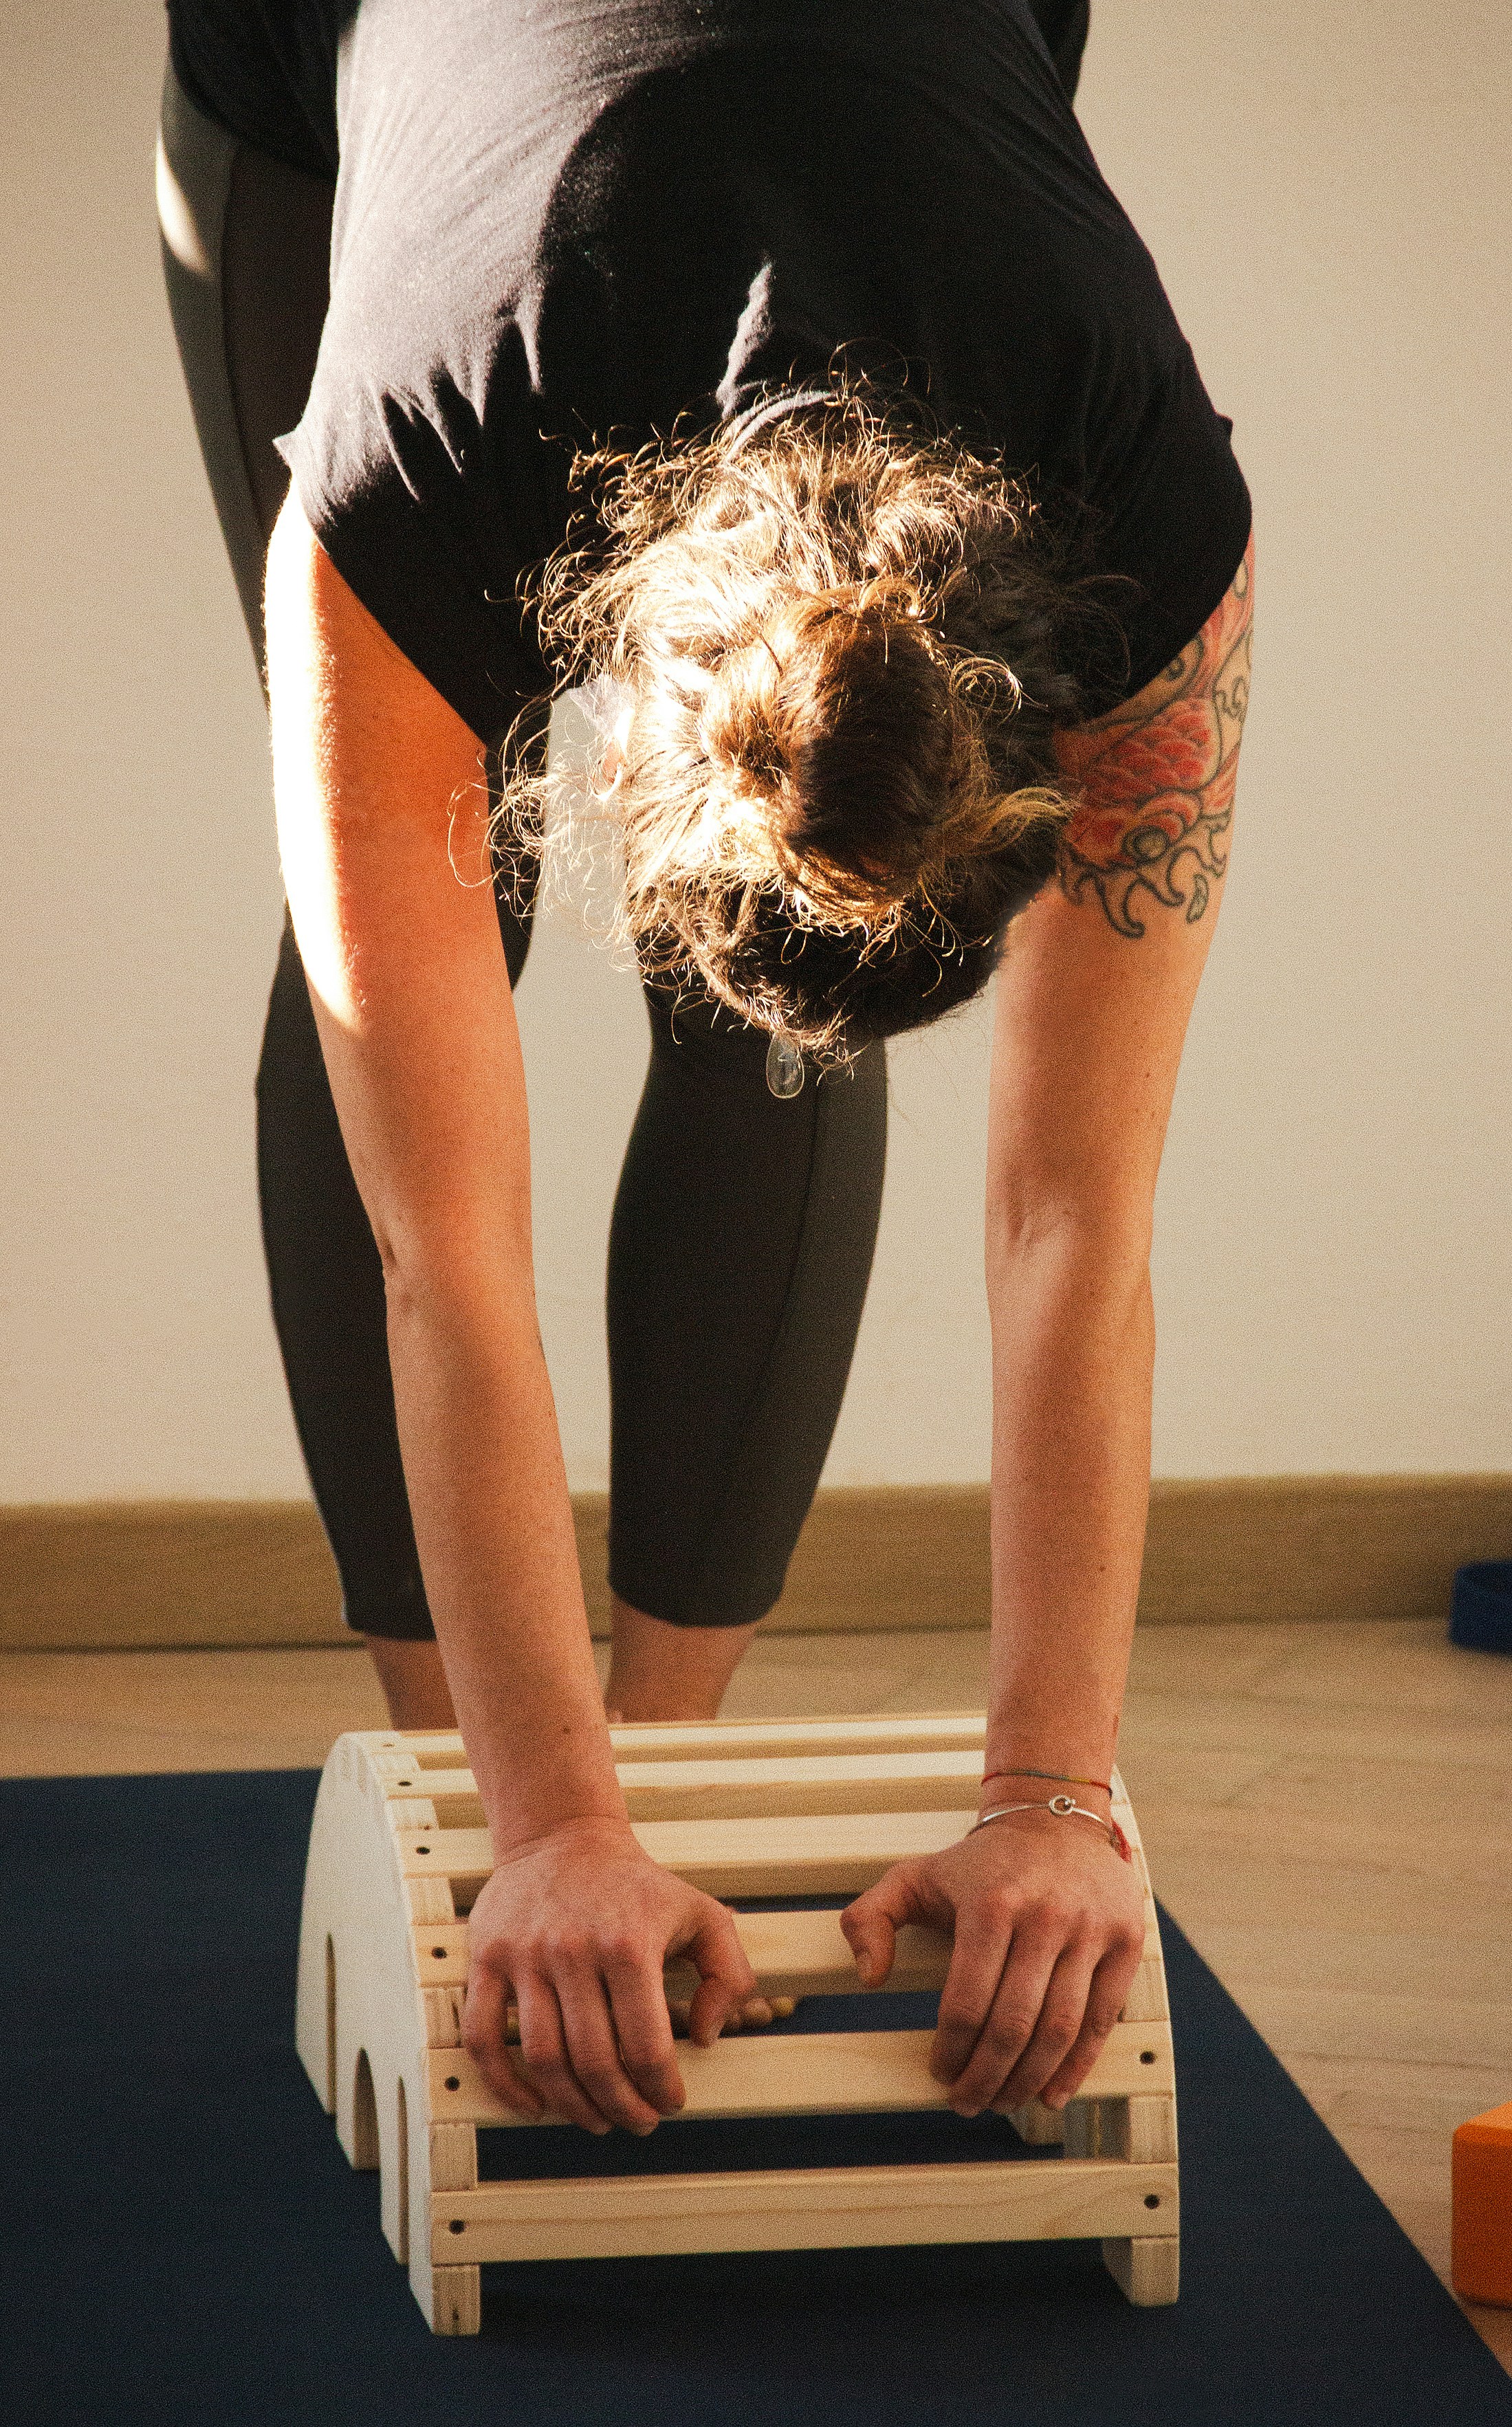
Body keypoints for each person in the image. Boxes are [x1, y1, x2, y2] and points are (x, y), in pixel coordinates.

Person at [157, 0, 1253, 2141]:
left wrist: (1050, 1789)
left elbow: (1072, 1210)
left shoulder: (1141, 517)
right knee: (397, 963)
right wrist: (535, 1823)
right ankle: (492, 1794)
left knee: (783, 1017)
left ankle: (665, 1744)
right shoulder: (397, 491)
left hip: (940, 69)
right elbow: (440, 1248)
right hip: (330, 73)